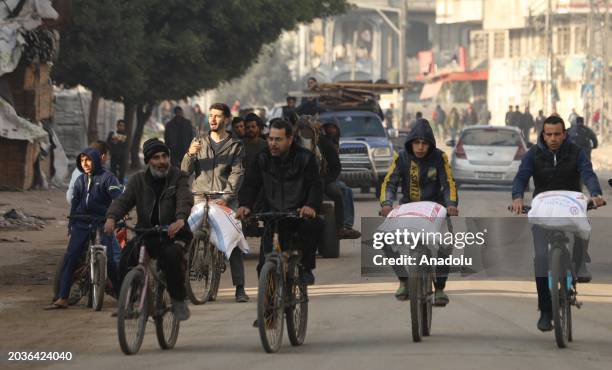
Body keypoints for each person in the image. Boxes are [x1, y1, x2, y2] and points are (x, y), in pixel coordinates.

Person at [511, 115, 605, 331]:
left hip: (571, 206)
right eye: (549, 134)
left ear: (564, 134)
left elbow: (588, 173)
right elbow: (521, 177)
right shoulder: (533, 153)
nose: (553, 138)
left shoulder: (576, 152)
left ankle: (580, 265)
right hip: (543, 208)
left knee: (583, 230)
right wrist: (517, 197)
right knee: (542, 259)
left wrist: (596, 194)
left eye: (557, 134)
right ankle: (545, 310)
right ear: (543, 134)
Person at [105, 138, 194, 321]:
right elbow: (124, 200)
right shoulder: (138, 180)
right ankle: (127, 302)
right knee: (126, 257)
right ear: (148, 161)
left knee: (171, 257)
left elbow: (184, 199)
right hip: (146, 233)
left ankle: (178, 300)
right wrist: (112, 217)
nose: (162, 161)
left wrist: (180, 219)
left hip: (172, 233)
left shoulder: (179, 177)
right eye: (156, 158)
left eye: (164, 156)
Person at [380, 118, 459, 305]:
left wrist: (451, 204)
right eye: (417, 143)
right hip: (409, 208)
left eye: (424, 143)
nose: (420, 147)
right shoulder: (401, 157)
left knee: (446, 244)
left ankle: (440, 287)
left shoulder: (440, 157)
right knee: (385, 239)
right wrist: (386, 203)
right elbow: (389, 183)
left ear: (430, 144)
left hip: (436, 209)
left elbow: (448, 183)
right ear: (410, 143)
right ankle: (404, 281)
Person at [237, 119, 323, 287]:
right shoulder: (262, 158)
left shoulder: (305, 158)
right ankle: (269, 309)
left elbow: (315, 185)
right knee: (264, 267)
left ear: (290, 140)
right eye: (270, 139)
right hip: (273, 216)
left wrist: (310, 206)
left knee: (315, 226)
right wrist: (245, 205)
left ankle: (305, 269)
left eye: (278, 139)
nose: (273, 144)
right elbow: (251, 184)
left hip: (298, 215)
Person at [181, 103, 248, 302]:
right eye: (211, 115)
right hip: (200, 196)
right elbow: (184, 171)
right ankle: (181, 282)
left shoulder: (235, 145)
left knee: (233, 238)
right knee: (186, 235)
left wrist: (225, 197)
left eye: (217, 116)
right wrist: (190, 153)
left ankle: (240, 288)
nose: (213, 119)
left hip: (226, 198)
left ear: (226, 119)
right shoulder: (199, 142)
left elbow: (237, 174)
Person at [46, 148, 123, 310]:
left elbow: (118, 198)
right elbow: (74, 204)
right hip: (80, 223)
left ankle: (122, 294)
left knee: (111, 260)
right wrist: (71, 226)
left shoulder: (108, 178)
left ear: (96, 160)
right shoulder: (80, 180)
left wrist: (116, 216)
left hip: (102, 222)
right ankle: (63, 297)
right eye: (82, 161)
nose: (85, 164)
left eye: (88, 160)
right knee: (71, 257)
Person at [66, 141, 122, 266]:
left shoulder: (79, 170)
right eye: (106, 155)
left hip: (78, 212)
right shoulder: (100, 174)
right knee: (115, 252)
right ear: (102, 156)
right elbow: (115, 196)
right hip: (91, 215)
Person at [321, 121, 360, 236]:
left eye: (334, 128)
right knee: (344, 190)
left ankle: (345, 226)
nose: (332, 130)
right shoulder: (322, 142)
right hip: (322, 179)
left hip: (328, 179)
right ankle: (344, 225)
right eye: (329, 127)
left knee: (346, 190)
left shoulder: (334, 143)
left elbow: (335, 167)